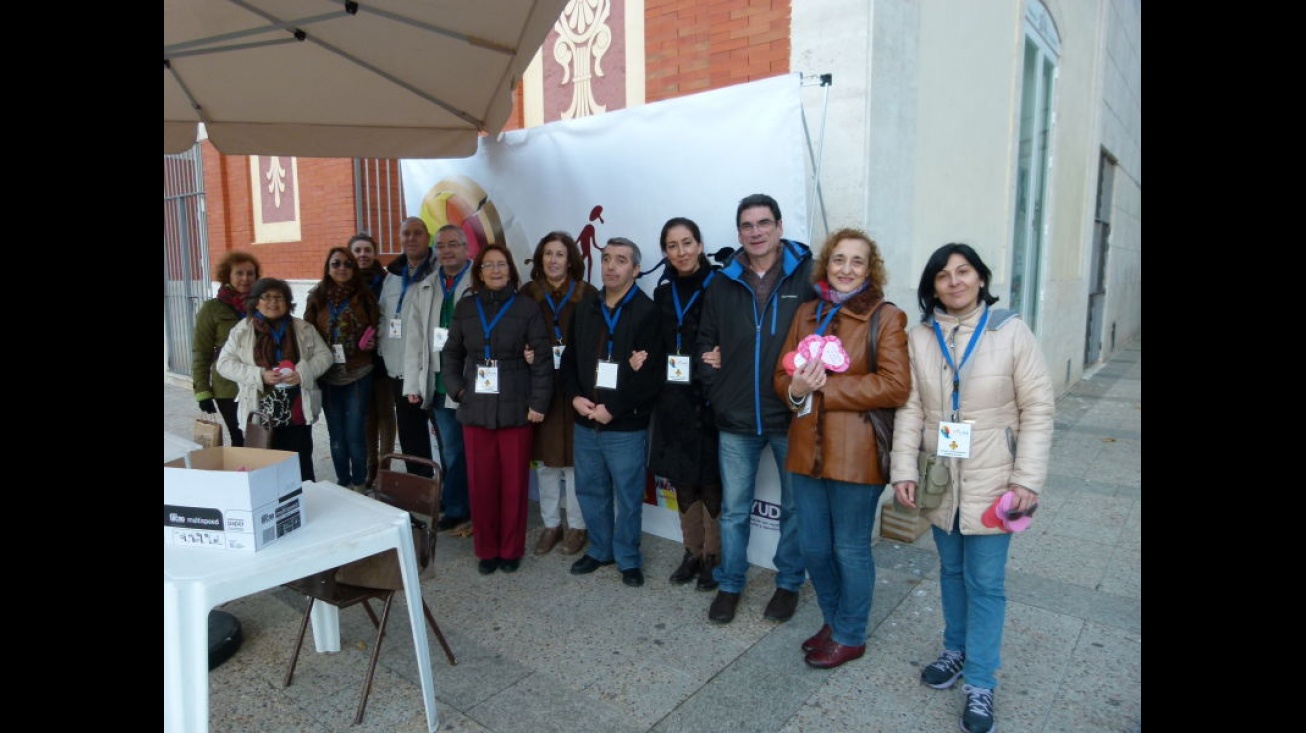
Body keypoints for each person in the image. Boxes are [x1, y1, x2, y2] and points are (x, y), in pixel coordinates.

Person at [890, 243, 1054, 733]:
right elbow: (911, 410)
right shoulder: (920, 338)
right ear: (932, 286)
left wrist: (1026, 479)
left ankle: (980, 683)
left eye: (964, 272)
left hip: (994, 479)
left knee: (986, 583)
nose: (954, 281)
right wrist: (904, 470)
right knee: (951, 570)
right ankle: (955, 650)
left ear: (981, 279)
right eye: (943, 275)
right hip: (939, 477)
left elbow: (1039, 410)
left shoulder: (1011, 332)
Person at [773, 228, 910, 669]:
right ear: (826, 265)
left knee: (849, 548)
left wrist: (826, 389)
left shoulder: (886, 317)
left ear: (870, 269)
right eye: (839, 259)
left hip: (857, 454)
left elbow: (895, 385)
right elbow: (781, 375)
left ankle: (851, 633)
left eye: (857, 261)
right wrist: (795, 388)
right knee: (813, 546)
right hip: (804, 450)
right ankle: (835, 620)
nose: (847, 268)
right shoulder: (808, 313)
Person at [695, 193, 815, 625]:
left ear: (780, 227)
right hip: (737, 416)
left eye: (764, 223)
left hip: (791, 413)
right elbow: (704, 341)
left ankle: (788, 584)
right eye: (747, 226)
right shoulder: (723, 281)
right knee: (734, 510)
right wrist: (717, 385)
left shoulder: (808, 275)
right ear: (739, 232)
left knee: (795, 509)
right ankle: (730, 584)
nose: (756, 232)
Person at [441, 243, 554, 574]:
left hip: (516, 407)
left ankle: (510, 549)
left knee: (513, 485)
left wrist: (537, 403)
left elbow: (543, 359)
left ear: (511, 270)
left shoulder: (527, 307)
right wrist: (457, 390)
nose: (495, 270)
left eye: (501, 264)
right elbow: (451, 354)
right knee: (481, 484)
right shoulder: (466, 308)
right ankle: (486, 549)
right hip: (476, 406)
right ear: (479, 272)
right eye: (488, 265)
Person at [560, 237, 664, 587]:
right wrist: (575, 397)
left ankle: (628, 558)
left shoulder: (648, 313)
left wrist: (614, 409)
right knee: (590, 490)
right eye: (606, 259)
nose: (611, 266)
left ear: (635, 270)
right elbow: (569, 361)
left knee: (628, 495)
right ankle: (600, 549)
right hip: (585, 419)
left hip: (625, 426)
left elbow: (651, 377)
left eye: (621, 260)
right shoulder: (585, 307)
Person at [647, 218, 723, 590]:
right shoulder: (663, 294)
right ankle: (691, 551)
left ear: (700, 244)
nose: (681, 252)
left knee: (710, 480)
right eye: (673, 245)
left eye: (687, 242)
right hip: (673, 401)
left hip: (709, 400)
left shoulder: (721, 286)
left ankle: (713, 556)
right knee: (682, 481)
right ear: (665, 252)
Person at [520, 231, 596, 556]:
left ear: (571, 260)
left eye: (560, 254)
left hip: (576, 388)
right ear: (540, 259)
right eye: (548, 254)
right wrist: (523, 351)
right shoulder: (527, 295)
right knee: (548, 463)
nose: (553, 260)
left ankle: (577, 526)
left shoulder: (586, 294)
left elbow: (597, 340)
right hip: (540, 389)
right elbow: (512, 335)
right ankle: (552, 524)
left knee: (575, 463)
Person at [217, 277, 334, 481]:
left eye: (279, 297)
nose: (273, 302)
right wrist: (258, 375)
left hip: (296, 408)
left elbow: (325, 356)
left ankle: (303, 500)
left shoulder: (303, 328)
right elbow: (224, 364)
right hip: (261, 410)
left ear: (288, 302)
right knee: (264, 465)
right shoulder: (242, 330)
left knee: (300, 462)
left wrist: (303, 373)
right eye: (267, 297)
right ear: (256, 301)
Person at [403, 224, 474, 530]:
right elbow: (415, 340)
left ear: (465, 247)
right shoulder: (427, 286)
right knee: (451, 449)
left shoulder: (480, 282)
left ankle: (471, 503)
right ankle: (458, 506)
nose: (447, 251)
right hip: (440, 382)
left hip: (474, 382)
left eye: (453, 245)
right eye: (441, 246)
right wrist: (412, 383)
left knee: (473, 450)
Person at [302, 247, 381, 490]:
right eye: (336, 264)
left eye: (348, 264)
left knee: (355, 434)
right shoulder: (317, 297)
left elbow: (378, 327)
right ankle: (343, 483)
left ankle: (359, 483)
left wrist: (373, 340)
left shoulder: (365, 296)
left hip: (359, 373)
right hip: (328, 375)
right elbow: (306, 333)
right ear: (328, 268)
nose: (342, 268)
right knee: (336, 436)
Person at [375, 217, 437, 477]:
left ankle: (452, 495)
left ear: (427, 237)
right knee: (411, 435)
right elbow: (383, 317)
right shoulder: (392, 278)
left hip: (431, 369)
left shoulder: (438, 273)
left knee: (445, 436)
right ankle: (421, 488)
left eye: (417, 233)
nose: (411, 238)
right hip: (398, 370)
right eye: (406, 233)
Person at [192, 250, 261, 446]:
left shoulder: (264, 303)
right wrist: (203, 391)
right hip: (228, 387)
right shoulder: (212, 308)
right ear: (228, 276)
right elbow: (201, 351)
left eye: (250, 273)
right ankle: (243, 474)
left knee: (263, 438)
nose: (245, 278)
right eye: (239, 273)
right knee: (241, 437)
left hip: (259, 382)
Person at [350, 233, 398, 488]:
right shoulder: (345, 283)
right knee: (367, 415)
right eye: (357, 250)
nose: (362, 255)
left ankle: (386, 467)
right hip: (358, 360)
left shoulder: (388, 281)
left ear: (375, 253)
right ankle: (371, 465)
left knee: (385, 413)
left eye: (367, 250)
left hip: (385, 356)